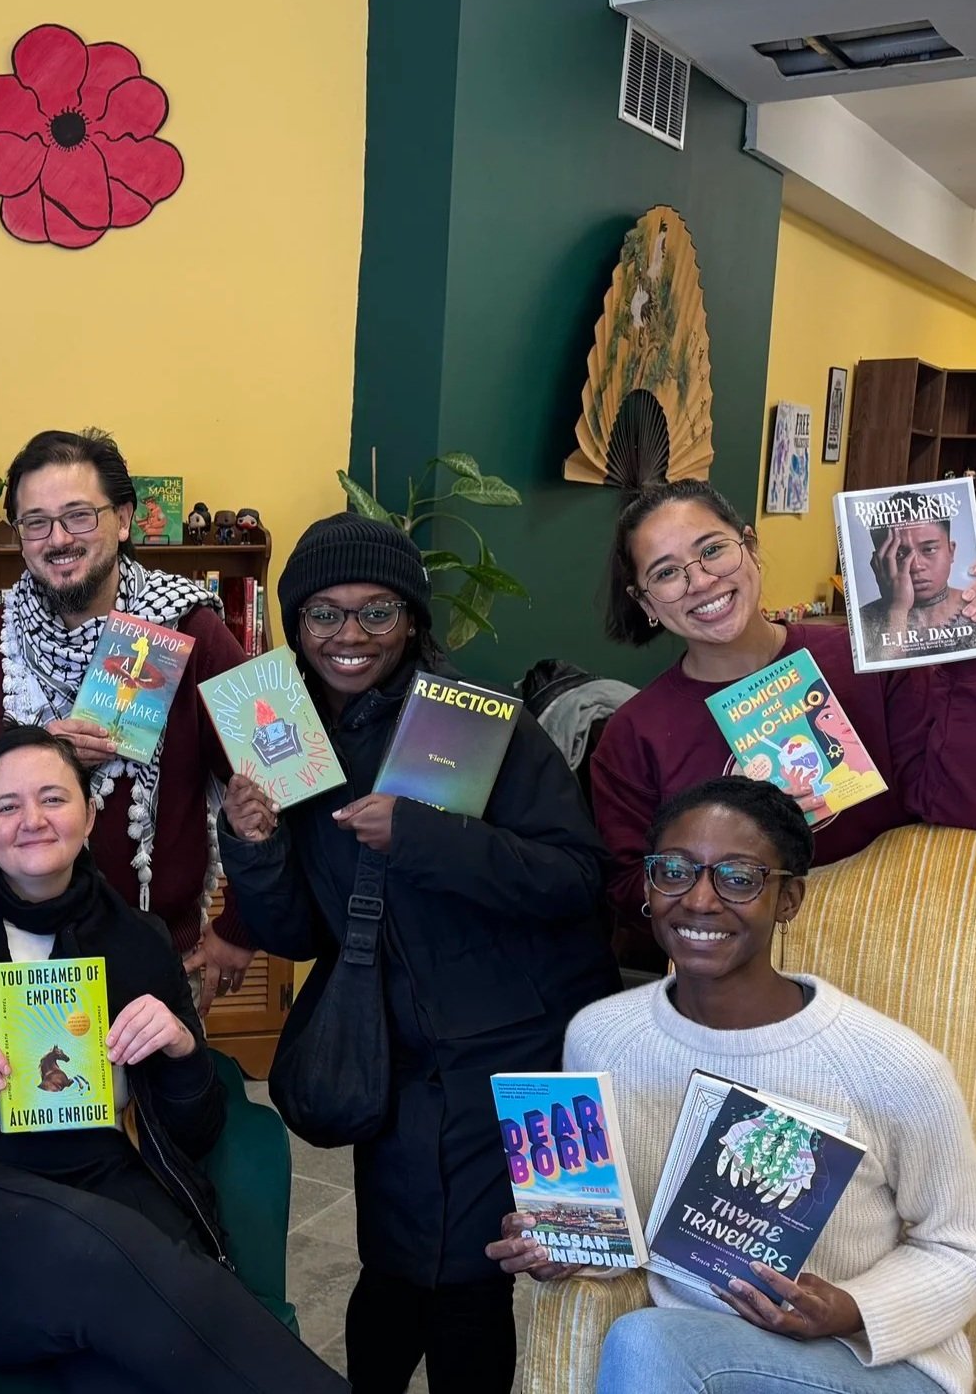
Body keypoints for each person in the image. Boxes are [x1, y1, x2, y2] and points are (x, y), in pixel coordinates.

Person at [0, 726, 347, 1394]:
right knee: (108, 1257)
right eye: (6, 807)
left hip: (100, 1171)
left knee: (121, 1360)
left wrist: (179, 1050)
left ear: (87, 814)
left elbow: (195, 1132)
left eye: (53, 799)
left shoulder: (138, 942)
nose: (32, 821)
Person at [217, 513, 616, 1394]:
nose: (348, 636)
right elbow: (299, 936)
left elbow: (576, 880)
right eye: (323, 614)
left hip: (513, 1052)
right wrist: (251, 847)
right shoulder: (283, 733)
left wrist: (425, 835)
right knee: (397, 1269)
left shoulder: (473, 722)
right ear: (296, 623)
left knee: (475, 1281)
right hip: (388, 1053)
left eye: (376, 612)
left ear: (412, 619)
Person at [489, 777, 976, 1394]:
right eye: (675, 871)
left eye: (738, 878)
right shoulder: (601, 1037)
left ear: (788, 899)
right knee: (652, 1343)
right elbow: (630, 1230)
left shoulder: (889, 1065)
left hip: (867, 1364)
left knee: (644, 1339)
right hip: (697, 1356)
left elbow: (965, 1251)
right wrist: (568, 1245)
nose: (700, 900)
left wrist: (847, 1308)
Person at [593, 480, 976, 970]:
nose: (701, 580)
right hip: (745, 980)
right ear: (645, 602)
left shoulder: (864, 660)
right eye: (667, 573)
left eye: (713, 550)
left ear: (750, 547)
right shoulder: (632, 734)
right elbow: (630, 891)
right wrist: (726, 835)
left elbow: (967, 803)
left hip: (898, 952)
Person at [0, 427, 257, 1011]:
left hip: (155, 962)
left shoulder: (191, 630)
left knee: (157, 1105)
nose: (58, 539)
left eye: (78, 516)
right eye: (35, 522)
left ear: (123, 519)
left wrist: (241, 930)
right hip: (5, 957)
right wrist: (34, 753)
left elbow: (285, 766)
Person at [851, 517, 976, 664]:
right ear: (879, 562)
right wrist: (897, 609)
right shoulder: (862, 620)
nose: (915, 566)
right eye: (899, 554)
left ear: (951, 551)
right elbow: (875, 682)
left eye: (929, 549)